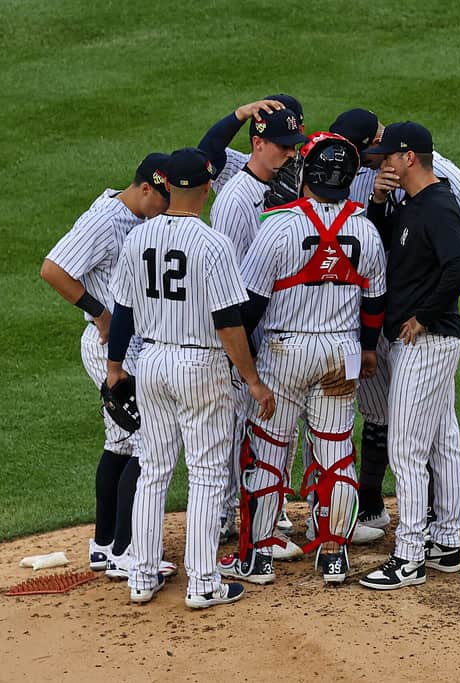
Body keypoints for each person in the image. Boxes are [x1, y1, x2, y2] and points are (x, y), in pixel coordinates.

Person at [106, 147, 275, 608]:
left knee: (153, 470)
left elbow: (122, 310)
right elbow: (228, 321)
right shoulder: (212, 243)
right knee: (205, 473)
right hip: (201, 366)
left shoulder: (138, 238)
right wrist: (253, 380)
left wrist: (114, 367)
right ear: (206, 188)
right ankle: (203, 582)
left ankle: (141, 576)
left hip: (152, 363)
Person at [219, 132, 387, 585]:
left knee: (269, 454)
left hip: (284, 353)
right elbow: (374, 303)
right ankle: (334, 555)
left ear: (308, 174)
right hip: (342, 353)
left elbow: (250, 304)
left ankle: (258, 559)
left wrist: (247, 367)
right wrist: (368, 350)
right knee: (336, 453)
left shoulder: (277, 224)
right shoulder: (365, 228)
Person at [329, 108, 460, 529]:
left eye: (367, 153)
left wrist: (432, 256)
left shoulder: (428, 174)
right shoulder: (358, 175)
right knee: (381, 409)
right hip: (375, 302)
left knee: (425, 432)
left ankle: (425, 528)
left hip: (415, 314)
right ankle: (385, 507)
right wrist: (381, 202)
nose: (364, 161)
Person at [40, 152, 176, 578]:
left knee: (120, 443)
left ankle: (103, 544)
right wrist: (101, 314)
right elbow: (53, 269)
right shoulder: (105, 220)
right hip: (109, 350)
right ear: (145, 188)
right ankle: (125, 550)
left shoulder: (141, 218)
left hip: (129, 348)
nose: (167, 210)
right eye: (163, 200)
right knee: (147, 443)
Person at [354, 123, 460, 591]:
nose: (381, 163)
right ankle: (445, 542)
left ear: (409, 158)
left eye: (388, 156)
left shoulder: (438, 205)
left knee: (406, 449)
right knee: (444, 441)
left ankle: (409, 557)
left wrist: (425, 314)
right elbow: (392, 252)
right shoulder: (411, 204)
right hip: (428, 343)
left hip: (426, 342)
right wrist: (380, 203)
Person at [208, 105, 310, 557]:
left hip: (264, 328)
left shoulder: (267, 188)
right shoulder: (236, 199)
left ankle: (251, 513)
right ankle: (229, 518)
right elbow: (227, 279)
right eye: (283, 148)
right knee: (236, 427)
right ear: (257, 144)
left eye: (293, 147)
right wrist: (242, 348)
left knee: (257, 426)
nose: (290, 155)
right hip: (241, 331)